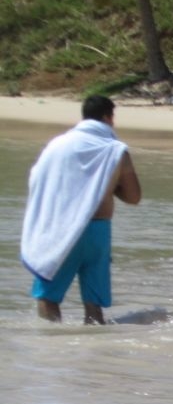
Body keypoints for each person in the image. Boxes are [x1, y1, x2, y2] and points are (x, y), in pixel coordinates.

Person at [20, 95, 142, 324]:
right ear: (107, 117)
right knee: (94, 306)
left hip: (63, 230)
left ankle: (51, 349)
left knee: (48, 297)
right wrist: (106, 184)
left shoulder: (56, 145)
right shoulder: (114, 150)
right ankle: (95, 352)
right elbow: (134, 197)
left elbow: (38, 179)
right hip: (98, 232)